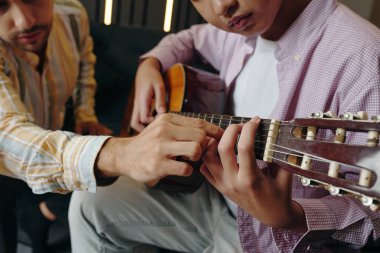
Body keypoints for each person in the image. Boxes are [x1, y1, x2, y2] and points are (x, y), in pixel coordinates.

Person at [69, 0, 380, 252]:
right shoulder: (241, 27)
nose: (220, 7)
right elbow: (188, 38)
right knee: (90, 201)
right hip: (210, 202)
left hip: (280, 239)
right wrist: (150, 64)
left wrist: (292, 217)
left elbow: (376, 213)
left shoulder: (363, 55)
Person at [0, 0, 223, 252]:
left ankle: (40, 217)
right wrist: (119, 153)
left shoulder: (72, 16)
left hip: (53, 132)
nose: (25, 20)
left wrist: (85, 115)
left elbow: (85, 66)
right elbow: (6, 136)